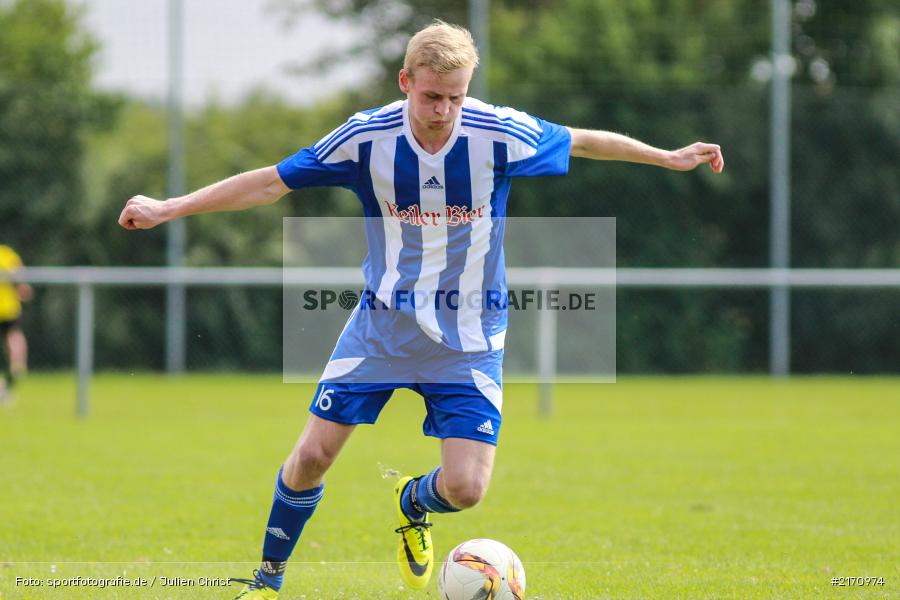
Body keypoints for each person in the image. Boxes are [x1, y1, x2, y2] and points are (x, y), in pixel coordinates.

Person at [118, 20, 724, 599]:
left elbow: (583, 140)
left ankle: (412, 502)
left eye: (456, 97)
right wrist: (169, 208)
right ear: (405, 81)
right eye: (433, 96)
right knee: (311, 457)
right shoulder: (365, 138)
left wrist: (667, 157)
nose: (444, 111)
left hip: (470, 334)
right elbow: (271, 182)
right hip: (382, 327)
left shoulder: (497, 132)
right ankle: (267, 580)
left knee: (466, 488)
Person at [0, 244, 32, 405]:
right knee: (13, 336)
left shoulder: (6, 254)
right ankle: (17, 365)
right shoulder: (7, 254)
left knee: (13, 336)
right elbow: (22, 285)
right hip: (8, 309)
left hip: (7, 308)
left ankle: (14, 369)